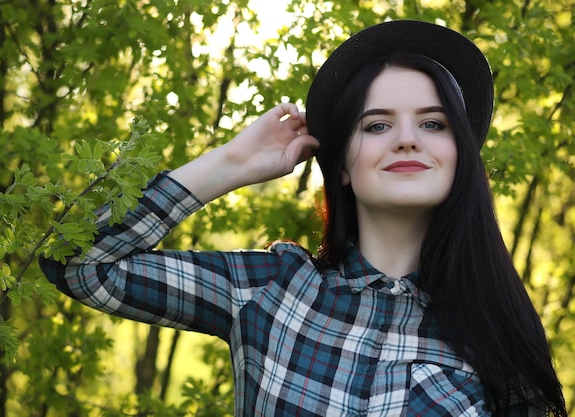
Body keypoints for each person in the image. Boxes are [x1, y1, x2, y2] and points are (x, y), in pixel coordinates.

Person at [40, 20, 567, 416]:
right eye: (377, 125)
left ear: (461, 159)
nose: (407, 137)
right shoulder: (269, 290)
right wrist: (229, 163)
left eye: (433, 123)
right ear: (341, 167)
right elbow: (76, 260)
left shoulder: (496, 334)